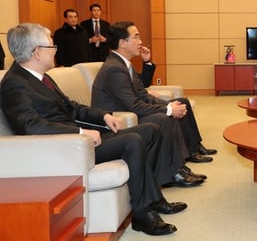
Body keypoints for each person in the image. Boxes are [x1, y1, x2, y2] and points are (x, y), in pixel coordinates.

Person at [0, 22, 187, 236]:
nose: (55, 52)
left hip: (78, 141)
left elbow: (72, 108)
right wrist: (79, 134)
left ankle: (153, 199)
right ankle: (143, 215)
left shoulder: (42, 77)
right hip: (65, 149)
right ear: (36, 52)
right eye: (52, 47)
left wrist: (104, 115)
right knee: (133, 140)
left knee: (151, 130)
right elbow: (31, 126)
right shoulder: (14, 83)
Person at [91, 21, 217, 168]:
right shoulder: (114, 69)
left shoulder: (123, 64)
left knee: (181, 102)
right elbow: (133, 104)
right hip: (119, 117)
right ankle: (177, 169)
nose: (141, 41)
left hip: (129, 109)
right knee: (165, 118)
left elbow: (142, 94)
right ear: (123, 43)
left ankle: (192, 149)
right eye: (136, 37)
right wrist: (168, 110)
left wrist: (169, 105)